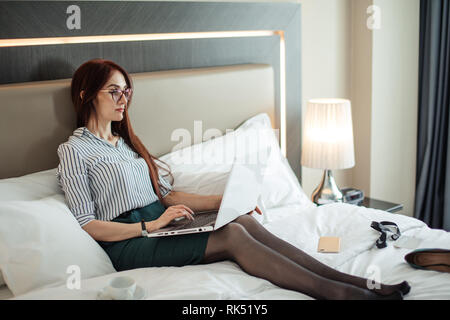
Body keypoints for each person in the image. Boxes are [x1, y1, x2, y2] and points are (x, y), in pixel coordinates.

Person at [56, 59, 410, 300]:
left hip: (161, 222)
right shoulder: (74, 150)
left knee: (238, 219)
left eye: (127, 92)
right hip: (129, 241)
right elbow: (88, 224)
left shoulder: (125, 144)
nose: (124, 99)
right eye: (114, 92)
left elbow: (165, 195)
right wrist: (150, 226)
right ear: (87, 95)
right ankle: (341, 294)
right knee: (233, 236)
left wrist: (225, 202)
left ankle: (356, 282)